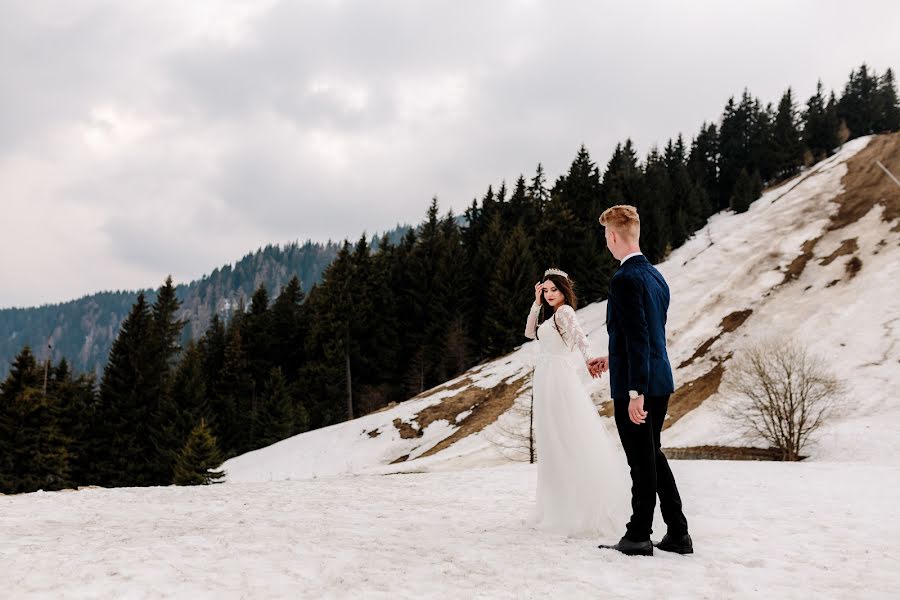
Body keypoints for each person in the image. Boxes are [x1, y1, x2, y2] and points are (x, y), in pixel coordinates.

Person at [591, 204, 693, 557]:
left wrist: (635, 391)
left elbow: (638, 336)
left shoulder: (624, 279)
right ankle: (678, 534)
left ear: (615, 236)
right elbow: (647, 334)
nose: (606, 243)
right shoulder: (655, 276)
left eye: (606, 236)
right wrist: (612, 357)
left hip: (639, 386)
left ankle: (638, 535)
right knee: (653, 454)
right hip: (658, 379)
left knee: (640, 460)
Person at [524, 268, 629, 538]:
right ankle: (558, 506)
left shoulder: (565, 312)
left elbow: (581, 338)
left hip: (558, 377)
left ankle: (575, 508)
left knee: (564, 437)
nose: (549, 295)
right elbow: (528, 333)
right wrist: (536, 303)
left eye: (553, 290)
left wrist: (590, 360)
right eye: (545, 290)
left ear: (563, 290)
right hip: (546, 376)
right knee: (551, 438)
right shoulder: (550, 313)